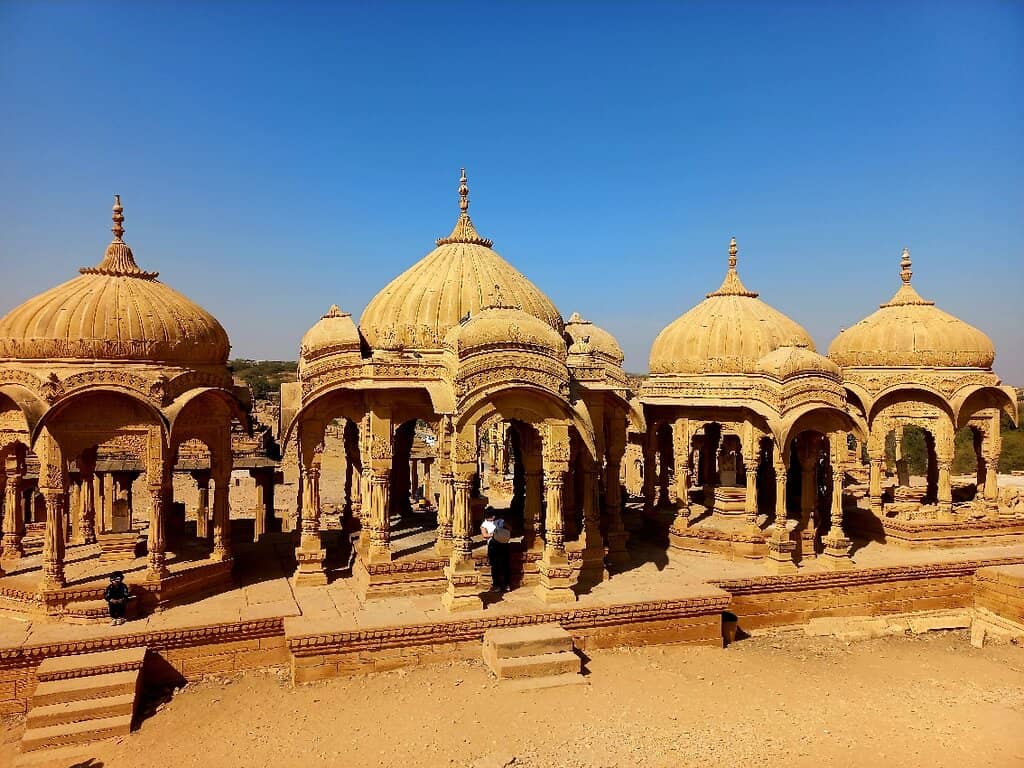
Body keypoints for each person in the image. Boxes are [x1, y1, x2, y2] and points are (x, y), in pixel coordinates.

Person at [481, 512, 511, 593]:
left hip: (493, 545)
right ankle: (507, 585)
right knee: (505, 564)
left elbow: (484, 535)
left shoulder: (484, 524)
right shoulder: (501, 521)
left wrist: (492, 534)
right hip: (504, 544)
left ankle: (496, 585)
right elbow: (509, 528)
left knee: (495, 566)